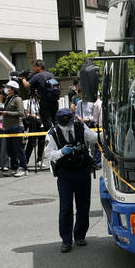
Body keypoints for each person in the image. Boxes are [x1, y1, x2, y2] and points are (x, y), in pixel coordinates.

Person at [45, 108, 99, 253]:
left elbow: (94, 138)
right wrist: (62, 152)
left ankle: (80, 236)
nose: (68, 127)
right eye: (65, 124)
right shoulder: (52, 133)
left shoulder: (80, 127)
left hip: (82, 171)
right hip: (65, 174)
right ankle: (66, 240)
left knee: (83, 205)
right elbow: (48, 154)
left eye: (69, 123)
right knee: (66, 208)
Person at [1, 81, 29, 177]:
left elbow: (21, 113)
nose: (6, 89)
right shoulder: (7, 98)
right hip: (8, 127)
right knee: (10, 149)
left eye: (8, 87)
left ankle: (23, 168)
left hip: (16, 127)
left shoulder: (18, 99)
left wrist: (6, 113)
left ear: (13, 89)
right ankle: (14, 168)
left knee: (18, 149)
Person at [22, 59, 59, 128]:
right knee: (55, 119)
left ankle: (49, 136)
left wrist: (22, 78)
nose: (33, 68)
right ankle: (58, 136)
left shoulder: (38, 76)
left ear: (39, 67)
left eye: (34, 66)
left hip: (45, 101)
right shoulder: (50, 74)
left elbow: (27, 85)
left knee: (46, 120)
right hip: (54, 100)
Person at [23, 96, 46, 170]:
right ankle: (26, 160)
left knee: (42, 141)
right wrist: (33, 116)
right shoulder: (28, 102)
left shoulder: (43, 101)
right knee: (31, 142)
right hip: (33, 122)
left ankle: (39, 160)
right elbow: (26, 113)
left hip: (41, 122)